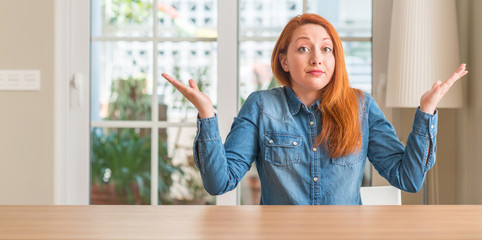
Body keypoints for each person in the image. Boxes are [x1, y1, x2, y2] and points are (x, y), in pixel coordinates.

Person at [161, 13, 468, 205]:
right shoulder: (261, 105)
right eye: (303, 48)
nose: (317, 59)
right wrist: (206, 114)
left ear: (335, 60)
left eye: (326, 49)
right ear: (284, 60)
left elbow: (409, 179)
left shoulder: (361, 106)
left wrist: (426, 111)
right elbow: (219, 182)